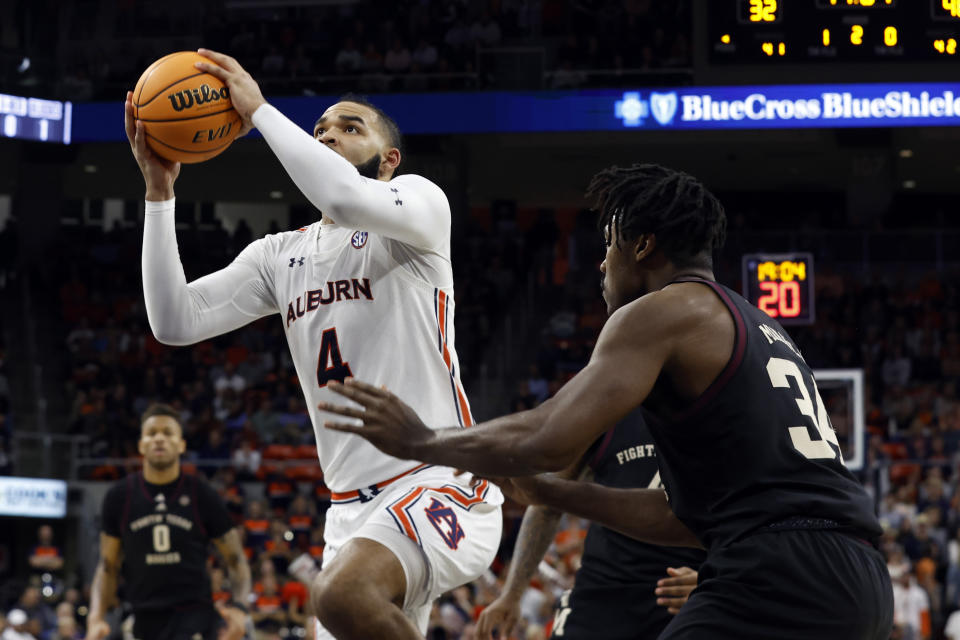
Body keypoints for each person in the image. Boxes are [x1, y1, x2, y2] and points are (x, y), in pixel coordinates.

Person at [321, 164, 894, 639]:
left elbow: (548, 436)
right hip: (855, 579)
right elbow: (678, 515)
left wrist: (424, 441)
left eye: (608, 245)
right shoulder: (757, 325)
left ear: (642, 245)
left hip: (777, 570)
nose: (601, 263)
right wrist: (554, 492)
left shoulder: (663, 311)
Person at [124, 48, 502, 640]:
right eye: (320, 128)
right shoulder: (279, 256)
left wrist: (261, 112)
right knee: (347, 597)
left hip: (439, 479)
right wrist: (158, 192)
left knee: (342, 593)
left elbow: (344, 198)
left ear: (388, 160)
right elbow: (173, 321)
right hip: (348, 509)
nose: (327, 135)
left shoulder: (422, 206)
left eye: (351, 128)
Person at [476, 409, 704, 640]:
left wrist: (714, 577)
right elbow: (547, 503)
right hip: (599, 595)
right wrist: (512, 594)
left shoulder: (725, 407)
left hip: (683, 600)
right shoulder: (613, 404)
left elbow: (739, 514)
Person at [84, 404, 251, 640]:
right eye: (152, 433)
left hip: (195, 617)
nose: (159, 439)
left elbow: (236, 560)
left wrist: (240, 608)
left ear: (181, 444)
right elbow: (107, 566)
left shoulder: (202, 494)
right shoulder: (119, 497)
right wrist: (95, 618)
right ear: (141, 445)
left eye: (168, 433)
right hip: (142, 617)